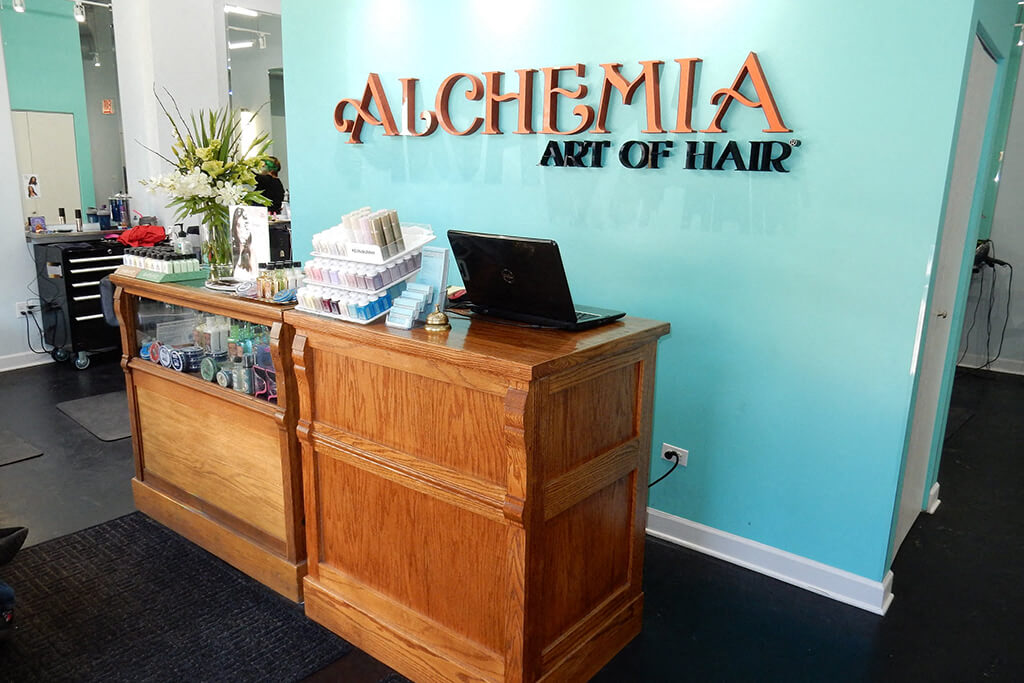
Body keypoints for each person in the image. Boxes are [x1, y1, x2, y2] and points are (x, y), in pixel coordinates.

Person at [231, 206, 253, 278]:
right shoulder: (234, 252)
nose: (241, 230)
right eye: (238, 225)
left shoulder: (251, 253)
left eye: (245, 225)